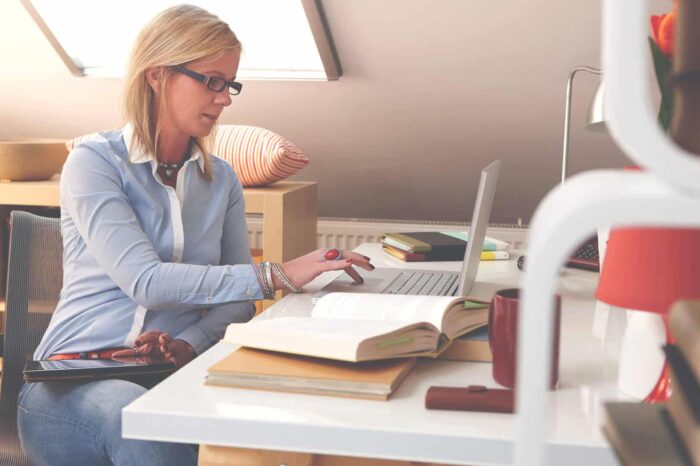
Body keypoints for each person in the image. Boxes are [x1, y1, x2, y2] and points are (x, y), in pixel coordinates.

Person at [17, 5, 372, 466]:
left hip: (166, 373)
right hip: (69, 382)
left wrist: (189, 343)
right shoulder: (95, 163)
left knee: (285, 417)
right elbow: (145, 281)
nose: (224, 98)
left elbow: (237, 304)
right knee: (144, 420)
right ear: (158, 75)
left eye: (230, 84)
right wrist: (277, 275)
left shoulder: (220, 180)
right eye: (212, 80)